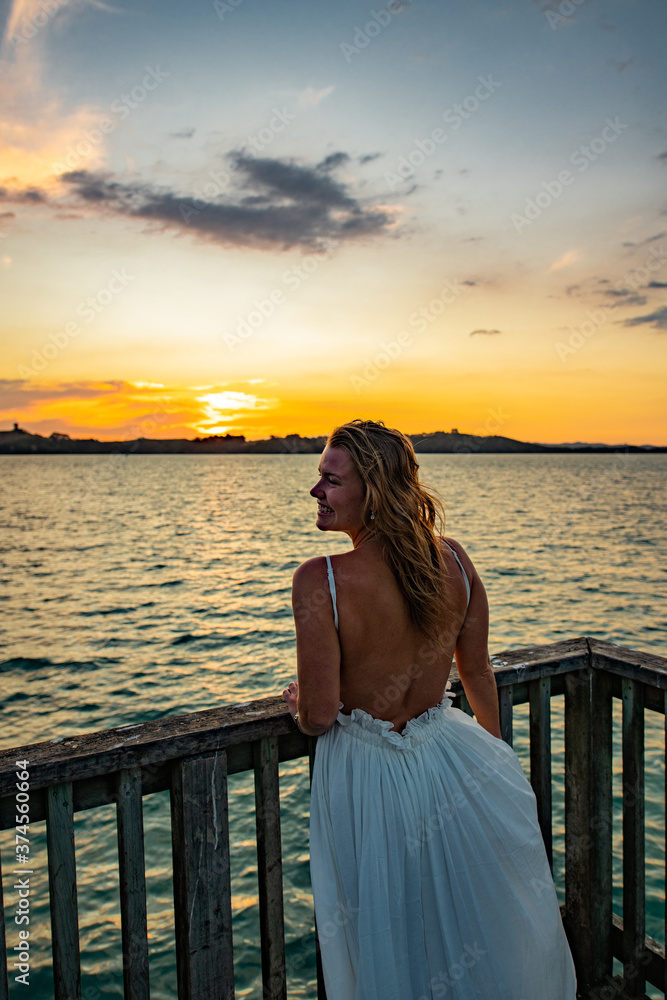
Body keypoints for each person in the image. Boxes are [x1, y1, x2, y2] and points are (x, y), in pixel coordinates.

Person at [282, 418, 577, 1000]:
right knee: (462, 925)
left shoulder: (321, 579)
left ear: (371, 489)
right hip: (447, 761)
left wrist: (298, 705)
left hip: (366, 778)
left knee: (385, 929)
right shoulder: (457, 562)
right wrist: (495, 759)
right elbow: (477, 672)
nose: (316, 490)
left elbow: (318, 717)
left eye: (329, 479)